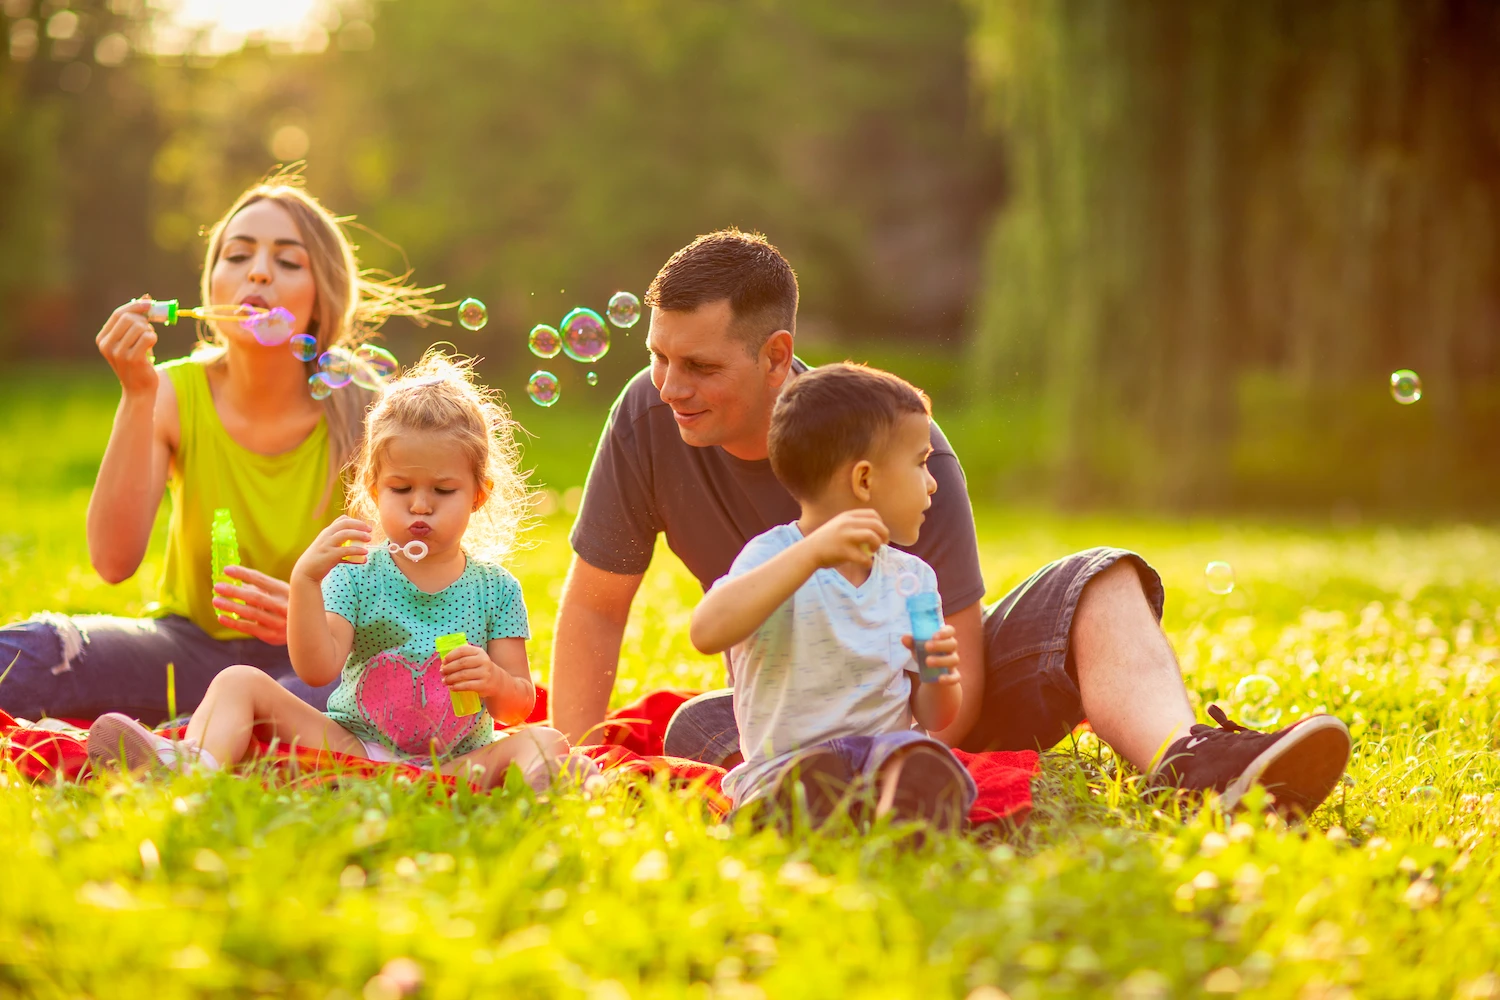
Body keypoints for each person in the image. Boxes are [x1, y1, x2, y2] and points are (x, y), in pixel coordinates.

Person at [552, 228, 1352, 816]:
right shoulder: (646, 419)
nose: (667, 386)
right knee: (704, 724)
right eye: (659, 356)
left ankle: (1190, 763)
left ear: (775, 356)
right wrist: (577, 758)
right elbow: (595, 604)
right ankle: (825, 775)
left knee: (1104, 575)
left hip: (923, 693)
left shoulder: (898, 448)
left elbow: (959, 699)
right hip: (797, 695)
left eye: (698, 366)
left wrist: (908, 697)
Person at [0, 169, 439, 725]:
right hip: (186, 651)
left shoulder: (367, 406)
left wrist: (312, 616)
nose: (257, 271)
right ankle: (207, 734)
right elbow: (113, 562)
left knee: (384, 689)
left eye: (287, 261)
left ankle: (193, 737)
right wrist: (137, 395)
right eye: (237, 256)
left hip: (322, 662)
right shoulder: (168, 391)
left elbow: (410, 580)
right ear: (211, 287)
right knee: (42, 650)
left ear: (321, 298)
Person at [88, 354, 582, 791]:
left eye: (443, 491)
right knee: (239, 679)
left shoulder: (496, 589)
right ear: (372, 488)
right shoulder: (357, 574)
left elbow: (517, 706)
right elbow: (317, 670)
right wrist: (305, 581)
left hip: (457, 762)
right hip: (356, 748)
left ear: (479, 493)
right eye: (401, 488)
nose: (421, 506)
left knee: (544, 739)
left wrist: (495, 681)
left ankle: (546, 784)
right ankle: (189, 767)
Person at [691, 363, 975, 829]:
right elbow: (705, 632)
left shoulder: (912, 579)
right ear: (864, 480)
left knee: (912, 753)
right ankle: (817, 803)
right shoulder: (773, 558)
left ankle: (900, 811)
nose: (932, 482)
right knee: (805, 774)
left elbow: (935, 715)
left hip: (884, 756)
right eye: (920, 462)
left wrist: (939, 675)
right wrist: (811, 555)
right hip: (786, 767)